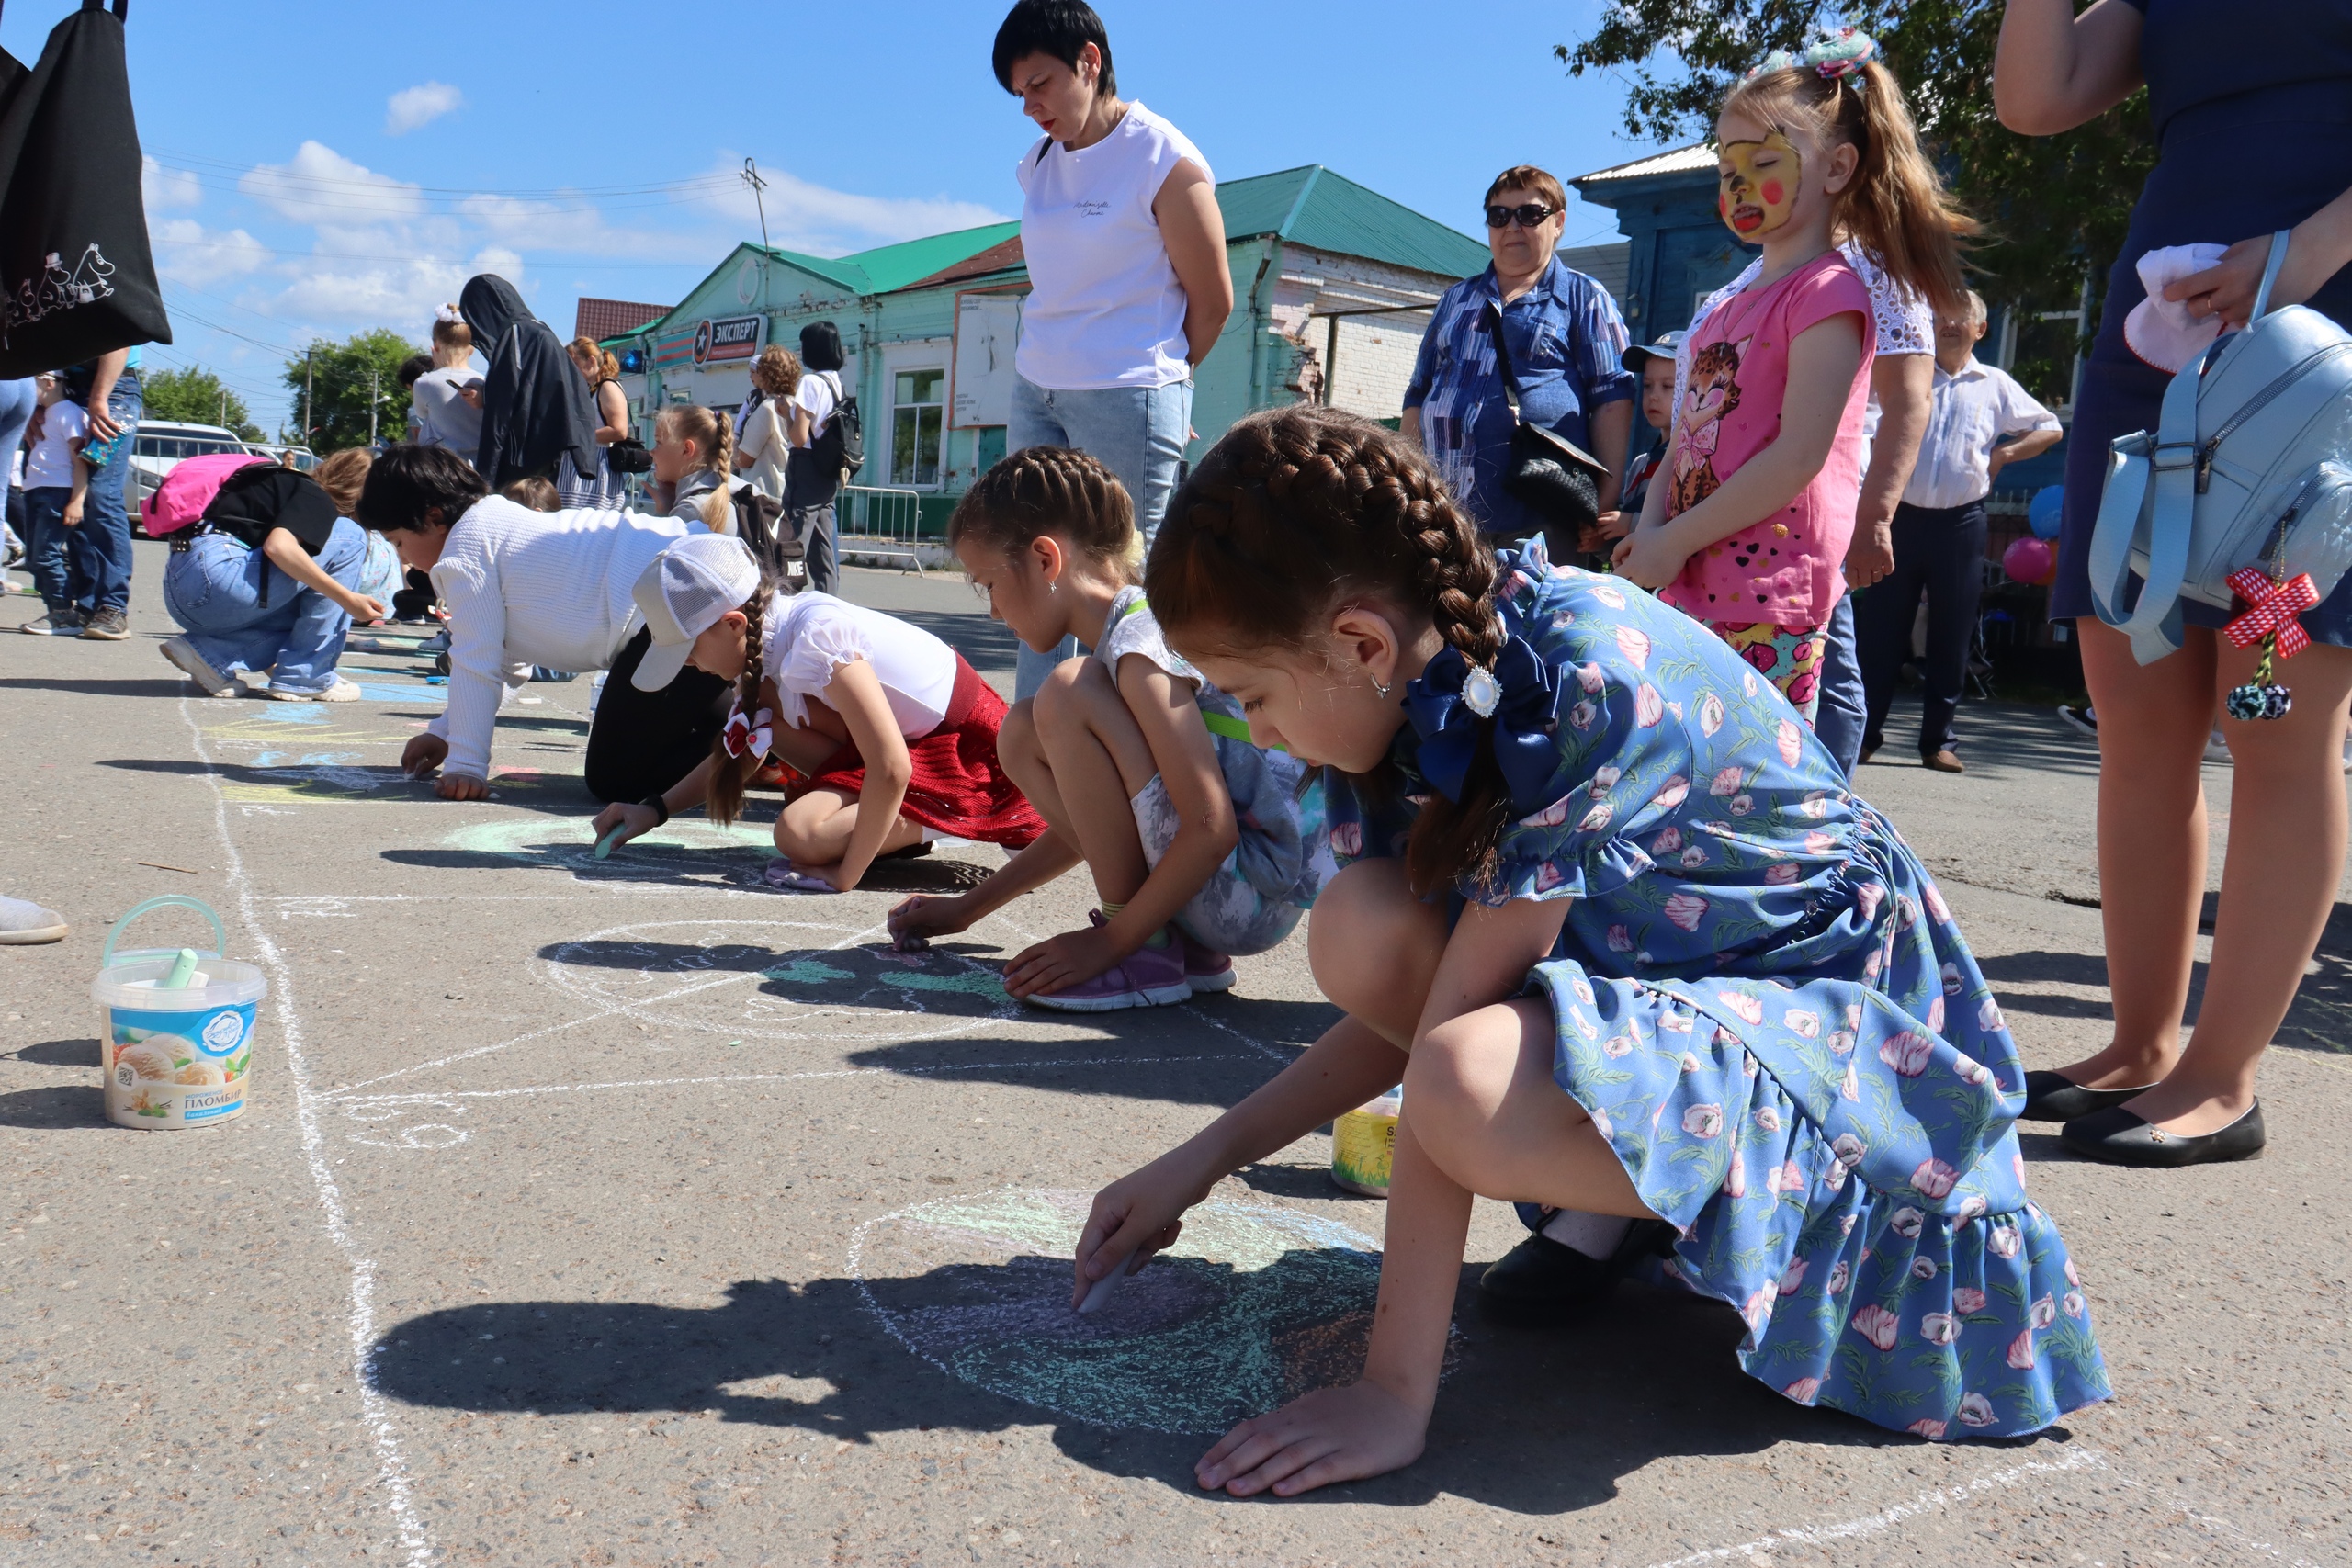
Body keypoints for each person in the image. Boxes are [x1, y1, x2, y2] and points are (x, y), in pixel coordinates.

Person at [1071, 404, 2109, 1497]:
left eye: (1251, 699)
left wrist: (1391, 1392)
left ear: (1360, 643)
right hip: (1693, 981)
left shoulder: (1570, 678)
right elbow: (1420, 999)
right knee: (1366, 924)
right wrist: (1193, 1163)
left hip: (1851, 1052)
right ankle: (1627, 1225)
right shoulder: (1419, 690)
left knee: (1466, 1080)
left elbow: (1442, 1058)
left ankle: (1708, 1223)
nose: (1257, 734)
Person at [1994, 0, 2352, 1166]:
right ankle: (2141, 1045)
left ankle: (2221, 1076)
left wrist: (2292, 263)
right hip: (2159, 349)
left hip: (2311, 357)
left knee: (2273, 715)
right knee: (2136, 716)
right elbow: (2035, 99)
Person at [887, 446, 1327, 1009]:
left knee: (1065, 690)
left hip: (1245, 890)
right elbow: (1104, 828)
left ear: (1046, 560)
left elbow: (1210, 825)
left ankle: (1149, 952)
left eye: (987, 584)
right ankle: (1174, 942)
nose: (993, 611)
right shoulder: (1134, 634)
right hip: (1231, 889)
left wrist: (1112, 943)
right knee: (1021, 730)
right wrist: (968, 908)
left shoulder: (1139, 648)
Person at [1614, 36, 1968, 723]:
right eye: (1726, 167)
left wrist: (1675, 539)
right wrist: (1650, 532)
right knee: (1689, 775)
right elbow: (1685, 438)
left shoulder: (1829, 294)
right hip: (1693, 576)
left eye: (1765, 161)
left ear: (1837, 167)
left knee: (1750, 785)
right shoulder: (1725, 308)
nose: (1738, 184)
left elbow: (1799, 454)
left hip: (1765, 591)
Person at [994, 0, 1233, 698]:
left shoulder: (1163, 158)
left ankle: (1143, 777)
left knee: (1121, 593)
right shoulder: (1036, 163)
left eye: (1040, 85)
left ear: (1090, 62)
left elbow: (1212, 301)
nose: (1031, 107)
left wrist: (1163, 388)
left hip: (1127, 394)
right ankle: (1040, 762)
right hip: (1037, 386)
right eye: (1019, 95)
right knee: (1034, 576)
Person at [590, 537, 1046, 891]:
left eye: (687, 651)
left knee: (799, 834)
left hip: (971, 756)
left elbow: (892, 766)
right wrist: (654, 809)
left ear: (733, 624)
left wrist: (845, 875)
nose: (689, 666)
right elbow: (739, 750)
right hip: (919, 746)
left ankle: (961, 814)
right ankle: (899, 826)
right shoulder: (763, 651)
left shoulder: (816, 637)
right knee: (776, 736)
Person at [356, 445, 724, 805]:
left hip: (675, 606)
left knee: (617, 779)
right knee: (707, 714)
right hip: (700, 584)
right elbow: (506, 664)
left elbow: (476, 662)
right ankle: (757, 740)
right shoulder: (493, 525)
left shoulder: (464, 550)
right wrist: (445, 732)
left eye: (399, 541)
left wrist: (465, 765)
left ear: (434, 519)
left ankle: (751, 753)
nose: (402, 556)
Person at [1857, 293, 2062, 773]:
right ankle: (1864, 735)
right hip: (1900, 519)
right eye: (1939, 317)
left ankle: (1938, 742)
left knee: (1952, 633)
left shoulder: (1995, 385)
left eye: (1959, 318)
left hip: (1962, 522)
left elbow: (2049, 428)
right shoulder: (1907, 375)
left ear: (1980, 329)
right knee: (1881, 632)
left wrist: (2006, 454)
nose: (1947, 324)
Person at [1402, 165, 1635, 561]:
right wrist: (1410, 489)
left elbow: (1613, 401)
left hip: (1540, 516)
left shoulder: (1584, 297)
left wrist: (1600, 503)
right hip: (1447, 513)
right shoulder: (1454, 299)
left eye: (1529, 214)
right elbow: (1418, 395)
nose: (1512, 226)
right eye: (1499, 216)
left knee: (1531, 623)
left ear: (1558, 222)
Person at [156, 461, 383, 703]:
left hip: (183, 588)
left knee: (308, 593)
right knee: (349, 535)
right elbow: (278, 548)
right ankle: (306, 675)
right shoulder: (315, 497)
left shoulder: (280, 489)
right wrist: (347, 599)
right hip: (218, 579)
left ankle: (212, 654)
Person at [458, 276, 609, 509]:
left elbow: (501, 411)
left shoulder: (515, 335)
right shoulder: (541, 330)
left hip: (516, 460)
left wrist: (485, 479)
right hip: (544, 460)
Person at [60, 346, 142, 641]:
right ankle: (85, 606)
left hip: (113, 389)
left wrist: (98, 399)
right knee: (69, 494)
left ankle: (113, 606)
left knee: (100, 492)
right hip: (67, 386)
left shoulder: (103, 297)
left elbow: (119, 339)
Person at [17, 373, 90, 636]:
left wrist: (77, 500)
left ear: (50, 382)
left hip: (57, 492)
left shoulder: (69, 413)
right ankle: (55, 610)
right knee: (35, 557)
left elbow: (80, 459)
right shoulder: (43, 415)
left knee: (46, 555)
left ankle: (63, 614)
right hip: (36, 490)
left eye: (32, 381)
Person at [784, 322, 850, 596]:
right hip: (828, 470)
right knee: (824, 550)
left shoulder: (810, 382)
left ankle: (785, 596)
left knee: (792, 540)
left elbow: (799, 436)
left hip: (806, 466)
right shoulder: (836, 384)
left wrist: (785, 413)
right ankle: (829, 603)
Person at [1604, 331, 1682, 536]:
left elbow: (1688, 523)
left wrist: (1630, 524)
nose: (1653, 396)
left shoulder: (1690, 461)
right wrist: (1602, 539)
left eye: (1668, 386)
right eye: (1647, 385)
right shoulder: (1640, 463)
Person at [652, 403, 743, 533]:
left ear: (687, 450)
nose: (651, 452)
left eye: (658, 442)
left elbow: (659, 550)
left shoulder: (692, 511)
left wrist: (663, 513)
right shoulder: (740, 489)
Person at [412, 305, 485, 465]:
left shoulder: (424, 383)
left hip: (438, 467)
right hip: (477, 465)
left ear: (435, 347)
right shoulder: (482, 382)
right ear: (471, 350)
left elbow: (421, 414)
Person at [567, 334, 631, 507]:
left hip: (598, 467)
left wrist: (578, 437)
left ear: (591, 362)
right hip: (585, 465)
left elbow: (619, 431)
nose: (571, 371)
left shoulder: (607, 387)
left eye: (575, 365)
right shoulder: (591, 389)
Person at [735, 346, 801, 503]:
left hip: (765, 497)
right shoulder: (799, 408)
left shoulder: (767, 408)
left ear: (766, 375)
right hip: (792, 492)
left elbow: (744, 459)